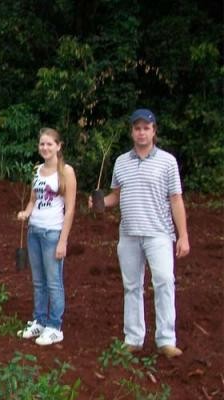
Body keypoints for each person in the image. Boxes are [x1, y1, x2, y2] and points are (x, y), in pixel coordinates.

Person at [88, 108, 189, 359]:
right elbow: (116, 195)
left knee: (164, 282)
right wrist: (100, 203)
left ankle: (166, 340)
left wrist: (183, 235)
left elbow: (176, 199)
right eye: (137, 128)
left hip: (159, 233)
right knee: (132, 286)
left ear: (154, 131)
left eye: (146, 128)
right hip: (129, 234)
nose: (141, 132)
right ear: (132, 132)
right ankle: (133, 338)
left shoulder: (167, 161)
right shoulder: (122, 161)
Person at [17, 128, 77, 346]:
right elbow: (33, 200)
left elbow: (70, 209)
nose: (45, 148)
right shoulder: (37, 170)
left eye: (49, 144)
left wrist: (63, 240)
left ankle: (55, 326)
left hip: (53, 232)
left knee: (54, 282)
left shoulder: (66, 172)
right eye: (42, 144)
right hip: (34, 231)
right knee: (38, 280)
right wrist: (26, 212)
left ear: (58, 146)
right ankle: (39, 320)